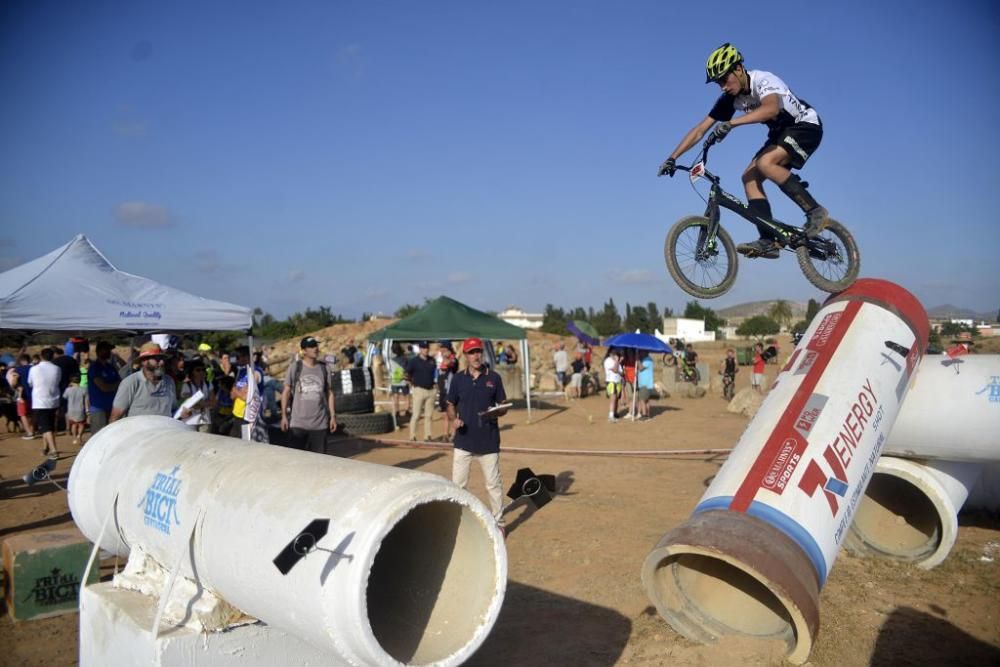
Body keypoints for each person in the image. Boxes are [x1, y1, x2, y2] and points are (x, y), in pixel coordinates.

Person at [658, 43, 828, 258]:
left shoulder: (763, 80)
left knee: (766, 163)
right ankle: (769, 239)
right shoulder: (730, 99)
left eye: (723, 79)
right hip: (780, 134)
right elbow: (701, 129)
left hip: (805, 126)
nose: (722, 87)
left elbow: (771, 109)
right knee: (748, 177)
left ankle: (815, 211)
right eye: (718, 83)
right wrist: (672, 157)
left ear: (738, 69)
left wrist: (733, 124)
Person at [446, 337, 508, 535]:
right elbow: (450, 404)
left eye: (478, 351)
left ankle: (499, 523)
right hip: (463, 441)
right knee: (458, 485)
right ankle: (457, 522)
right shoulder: (458, 379)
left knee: (493, 485)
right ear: (465, 355)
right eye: (471, 352)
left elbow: (503, 406)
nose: (476, 356)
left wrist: (497, 411)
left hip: (488, 440)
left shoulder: (494, 378)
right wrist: (453, 419)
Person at [281, 336, 337, 453]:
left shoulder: (324, 368)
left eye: (316, 345)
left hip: (319, 426)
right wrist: (284, 416)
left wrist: (332, 417)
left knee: (318, 463)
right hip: (298, 425)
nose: (316, 348)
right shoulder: (295, 367)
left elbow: (330, 393)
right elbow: (286, 392)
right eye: (311, 346)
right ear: (304, 351)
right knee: (296, 462)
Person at [110, 343, 183, 420]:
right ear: (144, 361)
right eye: (157, 359)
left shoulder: (169, 381)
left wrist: (181, 414)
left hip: (166, 430)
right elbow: (115, 417)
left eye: (162, 359)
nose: (162, 362)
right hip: (139, 431)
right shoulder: (131, 382)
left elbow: (173, 410)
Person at [28, 348, 61, 457]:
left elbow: (30, 383)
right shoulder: (57, 369)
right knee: (49, 425)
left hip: (40, 401)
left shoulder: (34, 369)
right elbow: (58, 382)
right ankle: (45, 447)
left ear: (41, 356)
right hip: (54, 400)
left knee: (46, 427)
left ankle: (54, 450)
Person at [229, 345, 264, 438]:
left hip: (248, 416)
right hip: (237, 413)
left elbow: (247, 397)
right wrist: (240, 392)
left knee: (245, 443)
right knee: (234, 441)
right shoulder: (241, 371)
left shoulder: (256, 372)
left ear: (246, 357)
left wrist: (237, 392)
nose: (236, 360)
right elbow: (232, 394)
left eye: (237, 357)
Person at [406, 341, 437, 442]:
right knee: (416, 414)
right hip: (419, 390)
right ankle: (412, 436)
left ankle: (427, 436)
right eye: (423, 348)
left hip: (431, 390)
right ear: (420, 349)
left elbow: (435, 373)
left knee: (429, 415)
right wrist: (412, 385)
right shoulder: (413, 361)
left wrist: (435, 385)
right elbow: (407, 374)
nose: (426, 349)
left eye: (427, 347)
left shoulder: (432, 360)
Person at [179, 360, 214, 432]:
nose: (201, 372)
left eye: (203, 370)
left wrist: (198, 403)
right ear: (192, 372)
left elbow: (213, 402)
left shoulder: (208, 384)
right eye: (198, 370)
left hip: (205, 419)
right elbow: (188, 404)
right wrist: (205, 403)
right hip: (190, 420)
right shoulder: (186, 385)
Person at [63, 374, 88, 445]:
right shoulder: (84, 389)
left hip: (71, 409)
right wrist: (87, 410)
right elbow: (86, 401)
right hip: (80, 409)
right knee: (81, 424)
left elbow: (64, 397)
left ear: (71, 382)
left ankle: (74, 438)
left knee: (73, 424)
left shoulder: (68, 390)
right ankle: (79, 436)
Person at [604, 349, 623, 422]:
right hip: (611, 381)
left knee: (617, 399)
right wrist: (617, 361)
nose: (615, 355)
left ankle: (614, 413)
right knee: (613, 399)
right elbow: (615, 370)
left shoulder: (617, 362)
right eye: (614, 354)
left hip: (618, 381)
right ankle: (611, 415)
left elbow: (621, 373)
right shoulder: (608, 361)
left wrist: (618, 362)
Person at [636, 352, 655, 420]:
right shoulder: (645, 360)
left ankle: (644, 415)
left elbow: (641, 368)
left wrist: (637, 360)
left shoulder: (647, 360)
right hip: (644, 384)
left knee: (642, 400)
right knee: (646, 400)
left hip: (645, 384)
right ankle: (647, 415)